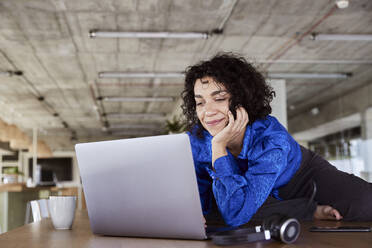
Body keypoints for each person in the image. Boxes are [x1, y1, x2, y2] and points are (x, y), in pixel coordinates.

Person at [181, 52, 372, 227]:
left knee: (364, 203)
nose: (208, 112)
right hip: (252, 190)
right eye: (200, 102)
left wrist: (218, 145)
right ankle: (305, 210)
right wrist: (199, 214)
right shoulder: (196, 140)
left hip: (301, 176)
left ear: (242, 99)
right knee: (225, 210)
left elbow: (235, 213)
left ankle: (299, 208)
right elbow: (204, 196)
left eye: (220, 98)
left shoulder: (272, 138)